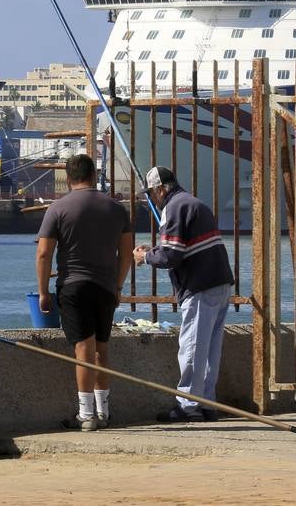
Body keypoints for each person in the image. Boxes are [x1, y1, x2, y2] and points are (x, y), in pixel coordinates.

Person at [36, 153, 134, 431]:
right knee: (102, 349)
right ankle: (104, 412)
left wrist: (43, 291)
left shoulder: (58, 208)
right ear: (93, 175)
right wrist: (117, 285)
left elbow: (44, 253)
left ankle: (85, 414)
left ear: (68, 178)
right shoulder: (116, 209)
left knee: (83, 349)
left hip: (73, 286)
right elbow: (126, 253)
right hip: (105, 287)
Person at [134, 165, 235, 422]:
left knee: (191, 346)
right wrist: (155, 248)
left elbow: (171, 256)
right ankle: (207, 404)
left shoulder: (174, 207)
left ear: (160, 189)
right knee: (211, 349)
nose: (151, 199)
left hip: (200, 285)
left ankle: (187, 405)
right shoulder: (193, 202)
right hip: (219, 281)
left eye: (151, 193)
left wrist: (144, 257)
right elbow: (180, 246)